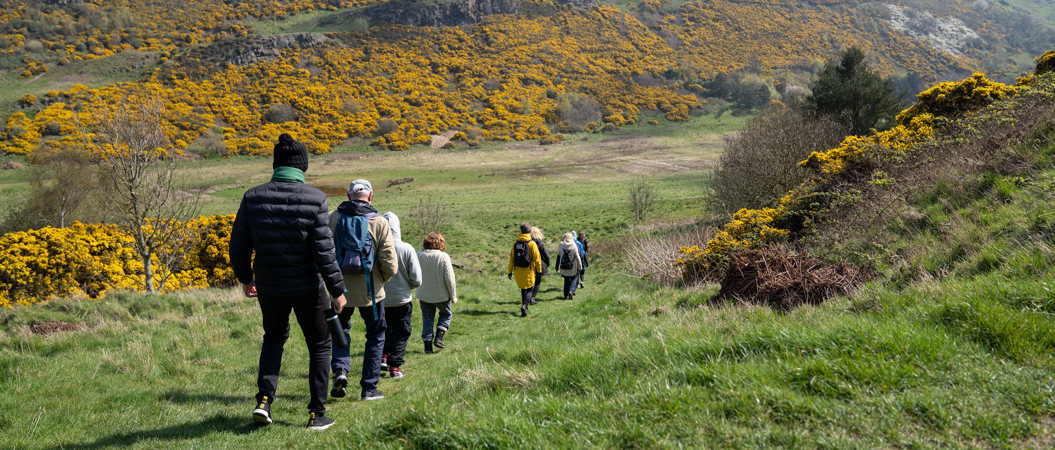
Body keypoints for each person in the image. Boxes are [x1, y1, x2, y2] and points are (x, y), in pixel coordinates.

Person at [229, 132, 347, 430]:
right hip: (308, 288)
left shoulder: (253, 197)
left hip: (270, 286)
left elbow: (238, 245)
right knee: (320, 345)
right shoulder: (315, 198)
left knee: (273, 339)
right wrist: (338, 289)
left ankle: (264, 402)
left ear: (276, 165)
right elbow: (324, 251)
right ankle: (316, 415)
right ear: (302, 167)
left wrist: (246, 279)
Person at [328, 179, 397, 402]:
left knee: (341, 331)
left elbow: (324, 254)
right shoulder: (379, 222)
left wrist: (331, 284)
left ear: (348, 196)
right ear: (370, 196)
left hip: (339, 290)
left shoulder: (333, 218)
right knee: (376, 336)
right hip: (371, 291)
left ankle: (340, 371)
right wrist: (381, 281)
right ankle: (369, 388)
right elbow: (390, 263)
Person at [380, 211, 421, 379]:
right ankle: (395, 368)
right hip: (402, 300)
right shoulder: (406, 248)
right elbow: (417, 278)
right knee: (401, 332)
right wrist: (408, 287)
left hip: (381, 298)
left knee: (382, 330)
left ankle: (382, 357)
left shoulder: (377, 247)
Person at [416, 232, 457, 353]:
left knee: (427, 319)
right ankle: (439, 337)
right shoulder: (444, 257)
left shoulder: (419, 255)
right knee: (446, 314)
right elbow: (450, 279)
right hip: (441, 295)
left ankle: (427, 347)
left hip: (424, 295)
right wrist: (453, 296)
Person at [508, 222, 542, 317]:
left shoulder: (515, 243)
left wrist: (509, 271)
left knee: (523, 289)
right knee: (530, 289)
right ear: (529, 231)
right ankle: (524, 305)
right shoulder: (531, 244)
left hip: (518, 270)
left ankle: (525, 307)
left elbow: (511, 258)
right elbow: (537, 259)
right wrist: (539, 271)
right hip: (529, 269)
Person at [553, 231, 583, 300]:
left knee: (566, 280)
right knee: (574, 278)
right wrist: (580, 267)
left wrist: (557, 266)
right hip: (572, 267)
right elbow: (577, 258)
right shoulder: (574, 245)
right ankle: (571, 291)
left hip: (563, 266)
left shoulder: (561, 245)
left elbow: (558, 255)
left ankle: (565, 295)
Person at [528, 226, 550, 305]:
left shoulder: (528, 243)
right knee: (537, 282)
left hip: (529, 264)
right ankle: (533, 298)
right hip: (539, 265)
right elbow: (546, 255)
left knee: (530, 282)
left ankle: (528, 297)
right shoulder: (541, 243)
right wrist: (547, 263)